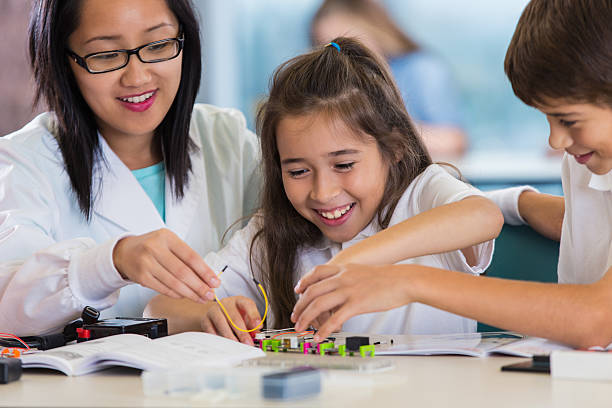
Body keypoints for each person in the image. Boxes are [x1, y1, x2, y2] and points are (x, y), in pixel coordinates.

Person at [292, 0, 612, 348]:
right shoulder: (587, 156)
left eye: (569, 120)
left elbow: (596, 319)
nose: (556, 139)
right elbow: (593, 223)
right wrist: (517, 203)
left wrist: (409, 282)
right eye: (546, 118)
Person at [145, 37, 503, 344]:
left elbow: (483, 215)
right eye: (298, 171)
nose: (323, 191)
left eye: (344, 165)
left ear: (393, 149)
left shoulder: (421, 193)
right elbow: (158, 307)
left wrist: (355, 259)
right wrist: (208, 314)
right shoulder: (271, 234)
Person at [0, 0, 261, 336]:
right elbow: (8, 308)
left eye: (158, 45)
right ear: (63, 61)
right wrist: (112, 261)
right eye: (106, 55)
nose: (137, 77)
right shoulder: (21, 164)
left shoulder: (228, 141)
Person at [310, 0, 467, 158]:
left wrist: (381, 133)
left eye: (347, 44)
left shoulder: (421, 69)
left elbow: (455, 140)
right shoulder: (332, 82)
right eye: (326, 47)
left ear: (375, 31)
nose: (335, 57)